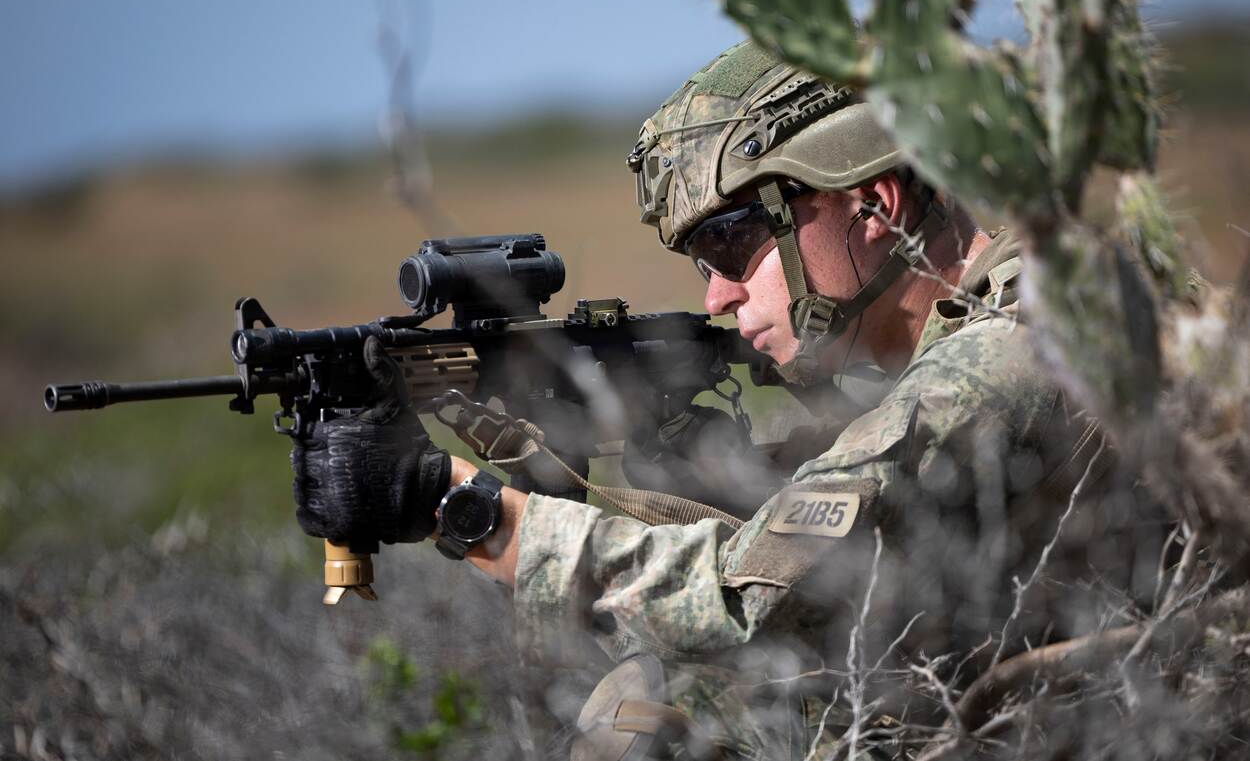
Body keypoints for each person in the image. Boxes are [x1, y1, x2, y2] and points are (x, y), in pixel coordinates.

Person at [291, 41, 1165, 756]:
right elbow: (842, 539)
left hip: (1110, 714)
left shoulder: (999, 361)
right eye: (699, 264)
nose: (716, 296)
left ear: (874, 205)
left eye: (735, 242)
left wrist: (462, 506)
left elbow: (745, 601)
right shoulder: (1030, 297)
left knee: (650, 708)